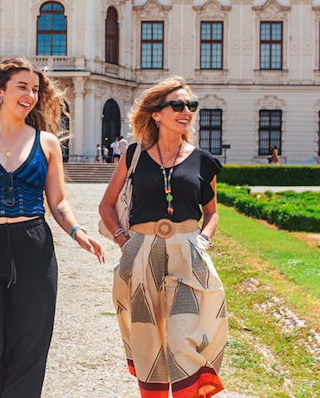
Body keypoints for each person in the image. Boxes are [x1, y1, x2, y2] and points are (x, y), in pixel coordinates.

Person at [0, 57, 105, 398]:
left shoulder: (47, 143)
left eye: (35, 89)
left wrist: (77, 231)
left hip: (33, 249)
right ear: (0, 91)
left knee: (29, 352)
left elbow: (57, 202)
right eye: (21, 87)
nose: (30, 95)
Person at [99, 76, 226, 398]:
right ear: (156, 114)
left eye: (191, 106)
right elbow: (107, 204)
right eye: (178, 105)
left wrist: (204, 240)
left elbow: (211, 212)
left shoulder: (203, 160)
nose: (187, 112)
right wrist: (122, 241)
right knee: (148, 341)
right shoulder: (134, 155)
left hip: (188, 253)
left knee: (184, 337)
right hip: (141, 254)